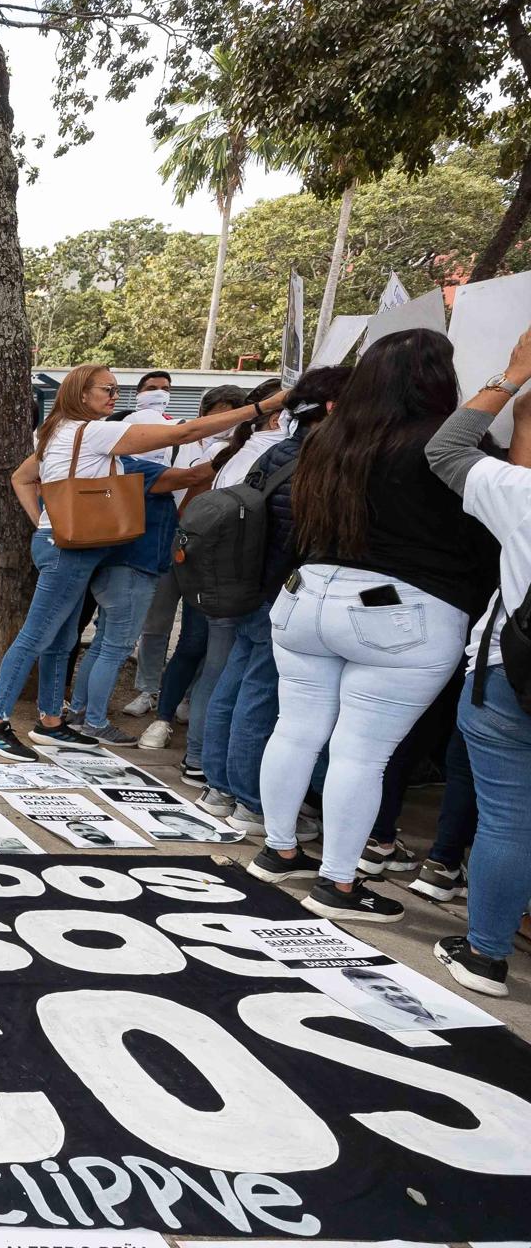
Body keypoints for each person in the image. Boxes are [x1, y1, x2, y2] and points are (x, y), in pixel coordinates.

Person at [245, 330, 496, 925]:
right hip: (402, 608)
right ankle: (337, 882)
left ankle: (279, 848)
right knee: (361, 752)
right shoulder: (447, 442)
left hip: (307, 597)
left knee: (297, 729)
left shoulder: (329, 438)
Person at [0, 365, 288, 762]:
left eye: (116, 389)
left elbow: (21, 477)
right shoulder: (93, 431)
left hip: (65, 545)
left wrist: (45, 524)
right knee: (36, 637)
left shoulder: (59, 431)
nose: (114, 396)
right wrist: (263, 407)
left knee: (61, 639)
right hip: (68, 549)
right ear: (81, 394)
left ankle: (51, 721)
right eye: (106, 389)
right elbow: (183, 433)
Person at [422, 321, 531, 995]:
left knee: (509, 816)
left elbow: (449, 447)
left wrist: (512, 373)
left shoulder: (521, 497)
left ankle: (487, 953)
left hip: (510, 680)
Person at [195, 370, 347, 831]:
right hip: (282, 590)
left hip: (252, 585)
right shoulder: (326, 461)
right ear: (334, 408)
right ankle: (251, 801)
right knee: (260, 696)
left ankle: (219, 787)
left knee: (236, 685)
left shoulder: (278, 452)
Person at [133, 386, 247, 749]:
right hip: (174, 540)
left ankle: (184, 701)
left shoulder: (246, 451)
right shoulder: (180, 441)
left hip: (214, 558)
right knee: (156, 622)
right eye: (215, 412)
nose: (221, 422)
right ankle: (150, 692)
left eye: (230, 413)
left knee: (198, 637)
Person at [63, 446, 204, 742]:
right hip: (134, 570)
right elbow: (194, 475)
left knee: (103, 644)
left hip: (111, 567)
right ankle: (94, 722)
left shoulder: (106, 467)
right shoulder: (137, 468)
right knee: (114, 649)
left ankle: (80, 713)